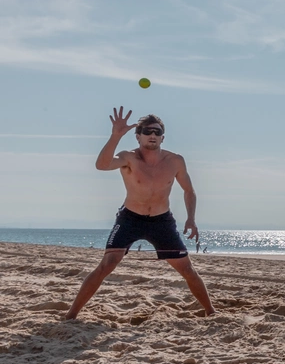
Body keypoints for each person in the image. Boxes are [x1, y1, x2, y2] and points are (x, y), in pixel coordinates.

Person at [65, 107, 215, 320]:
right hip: (130, 219)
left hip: (162, 221)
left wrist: (191, 219)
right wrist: (115, 135)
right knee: (107, 264)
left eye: (157, 131)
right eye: (147, 131)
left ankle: (211, 312)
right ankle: (71, 314)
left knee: (187, 269)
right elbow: (101, 165)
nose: (152, 135)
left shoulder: (175, 161)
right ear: (138, 136)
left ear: (163, 137)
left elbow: (189, 191)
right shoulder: (129, 158)